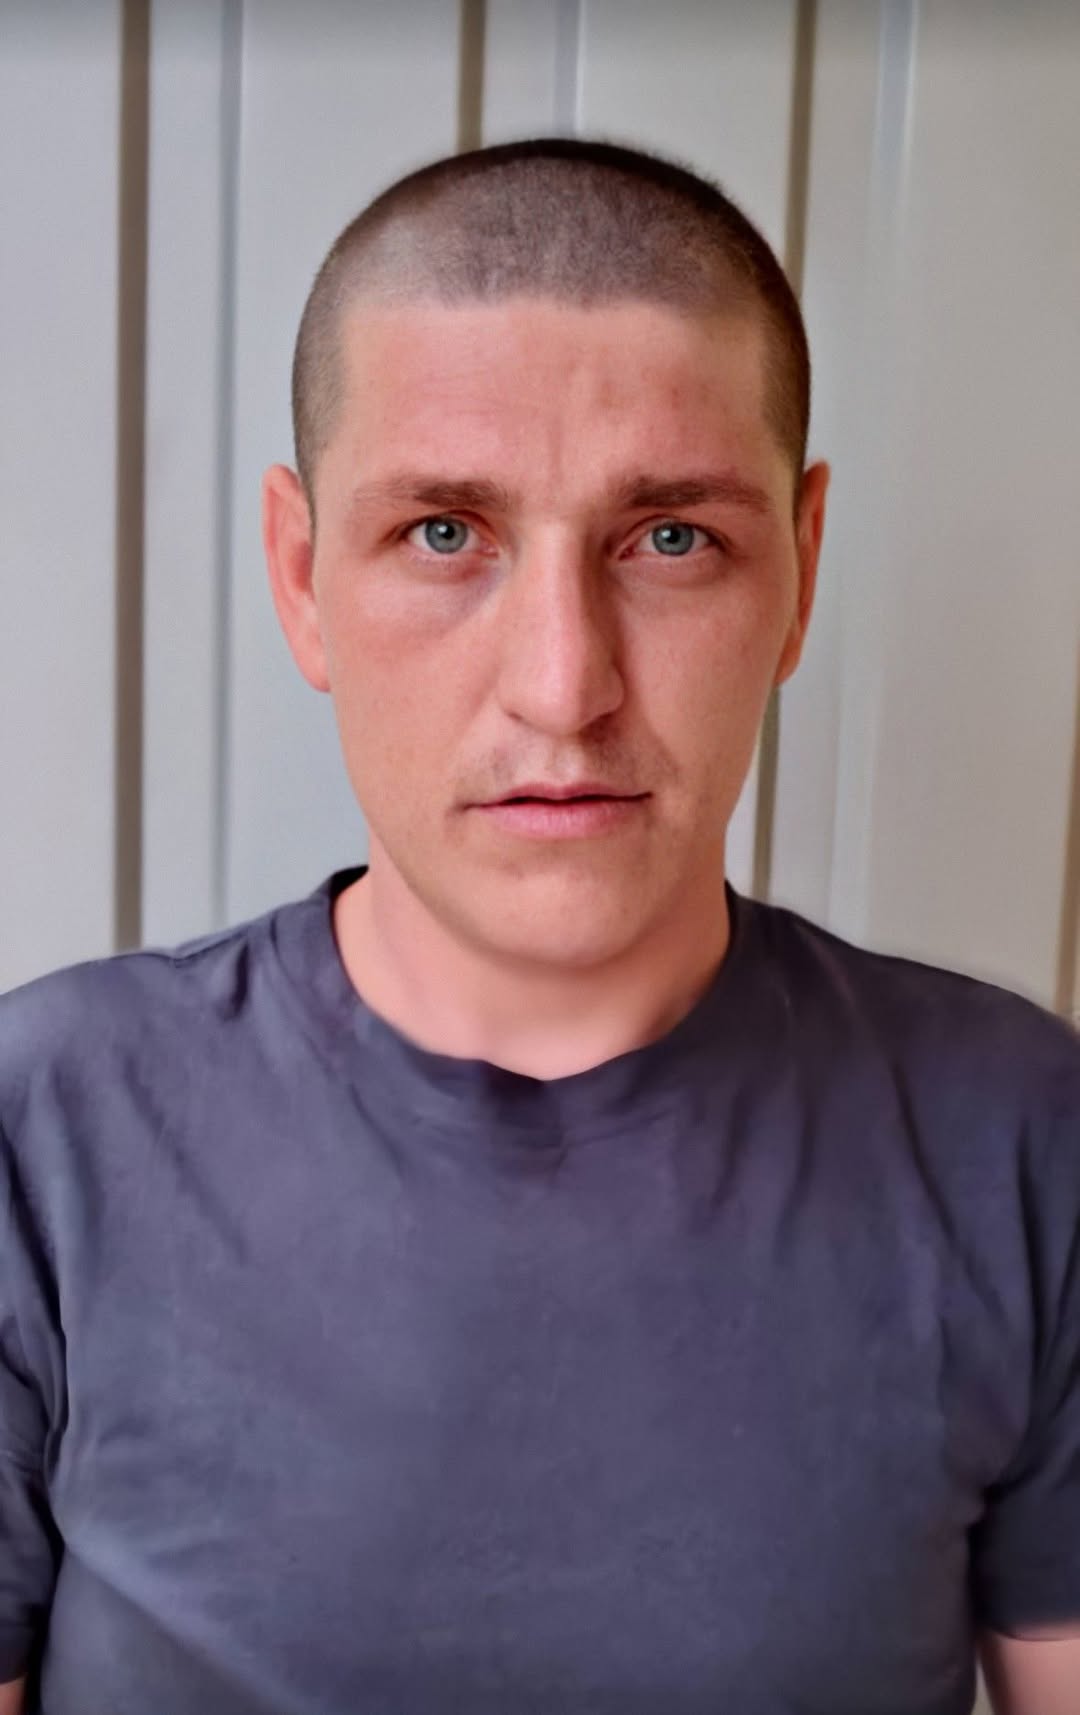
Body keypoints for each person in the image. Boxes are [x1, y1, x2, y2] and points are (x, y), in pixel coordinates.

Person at [1, 137, 1077, 1715]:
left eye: (671, 538)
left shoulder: (1021, 1136)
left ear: (798, 571)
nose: (564, 687)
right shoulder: (46, 1128)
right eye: (446, 533)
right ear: (301, 577)